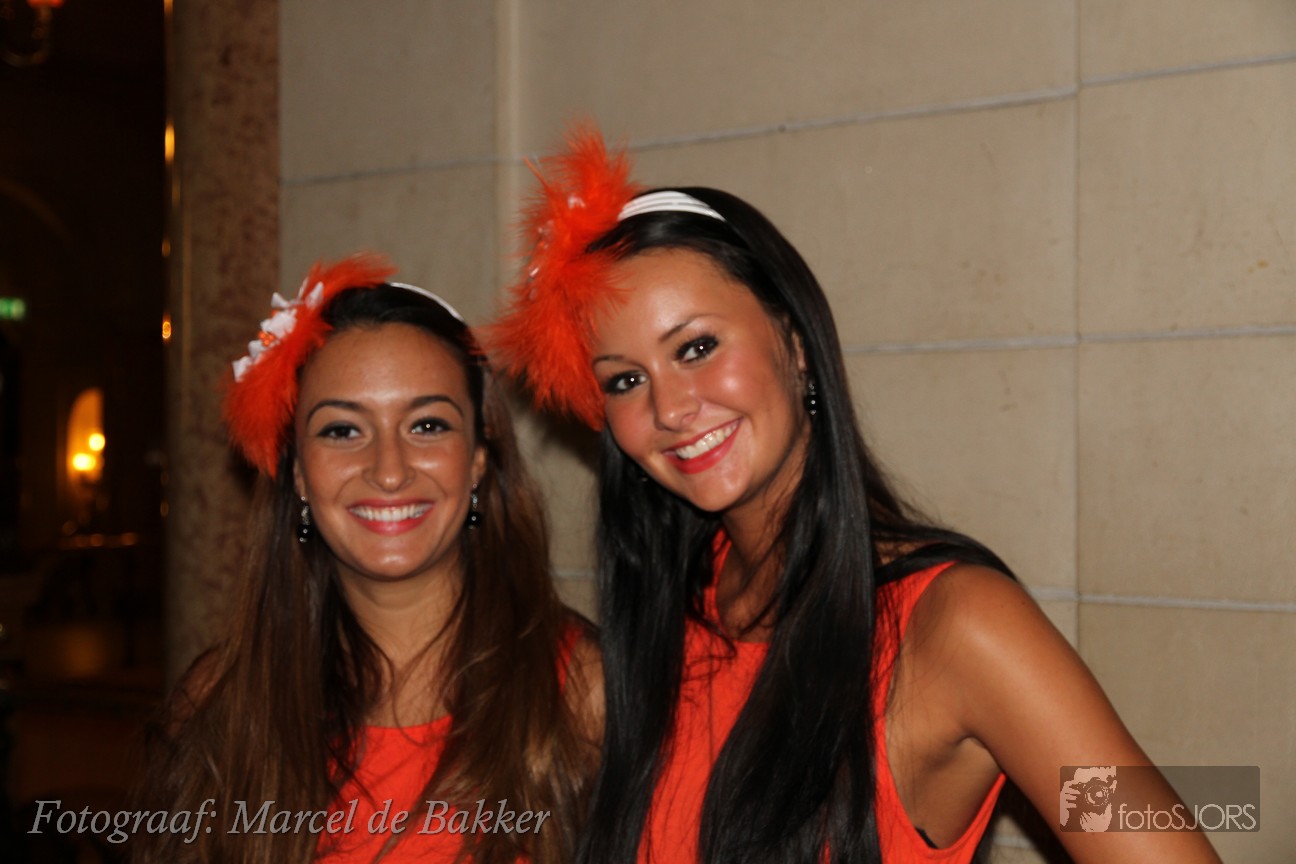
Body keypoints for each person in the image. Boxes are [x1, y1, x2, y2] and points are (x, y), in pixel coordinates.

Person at [488, 130, 1221, 864]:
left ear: (795, 341)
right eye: (625, 380)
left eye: (697, 347)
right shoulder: (670, 609)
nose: (670, 408)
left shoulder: (959, 622)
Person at [133, 256, 599, 864]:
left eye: (427, 425)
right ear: (299, 474)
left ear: (479, 462)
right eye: (342, 431)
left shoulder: (585, 694)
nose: (389, 470)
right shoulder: (218, 703)